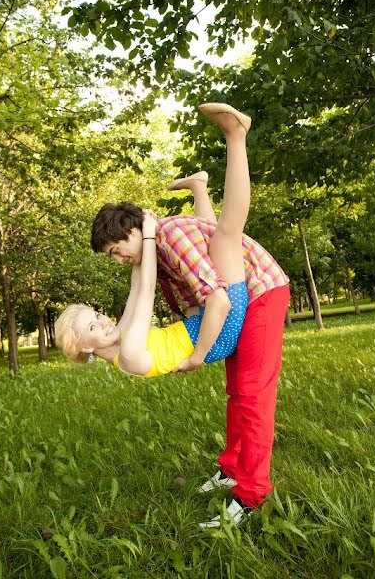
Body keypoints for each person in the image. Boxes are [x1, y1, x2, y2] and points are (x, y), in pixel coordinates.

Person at [63, 103, 290, 528]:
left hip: (259, 291)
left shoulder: (167, 236)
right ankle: (233, 469)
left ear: (132, 231)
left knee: (252, 393)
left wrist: (198, 354)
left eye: (117, 251)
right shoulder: (159, 245)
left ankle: (252, 494)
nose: (119, 260)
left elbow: (214, 294)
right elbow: (184, 285)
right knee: (237, 393)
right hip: (219, 303)